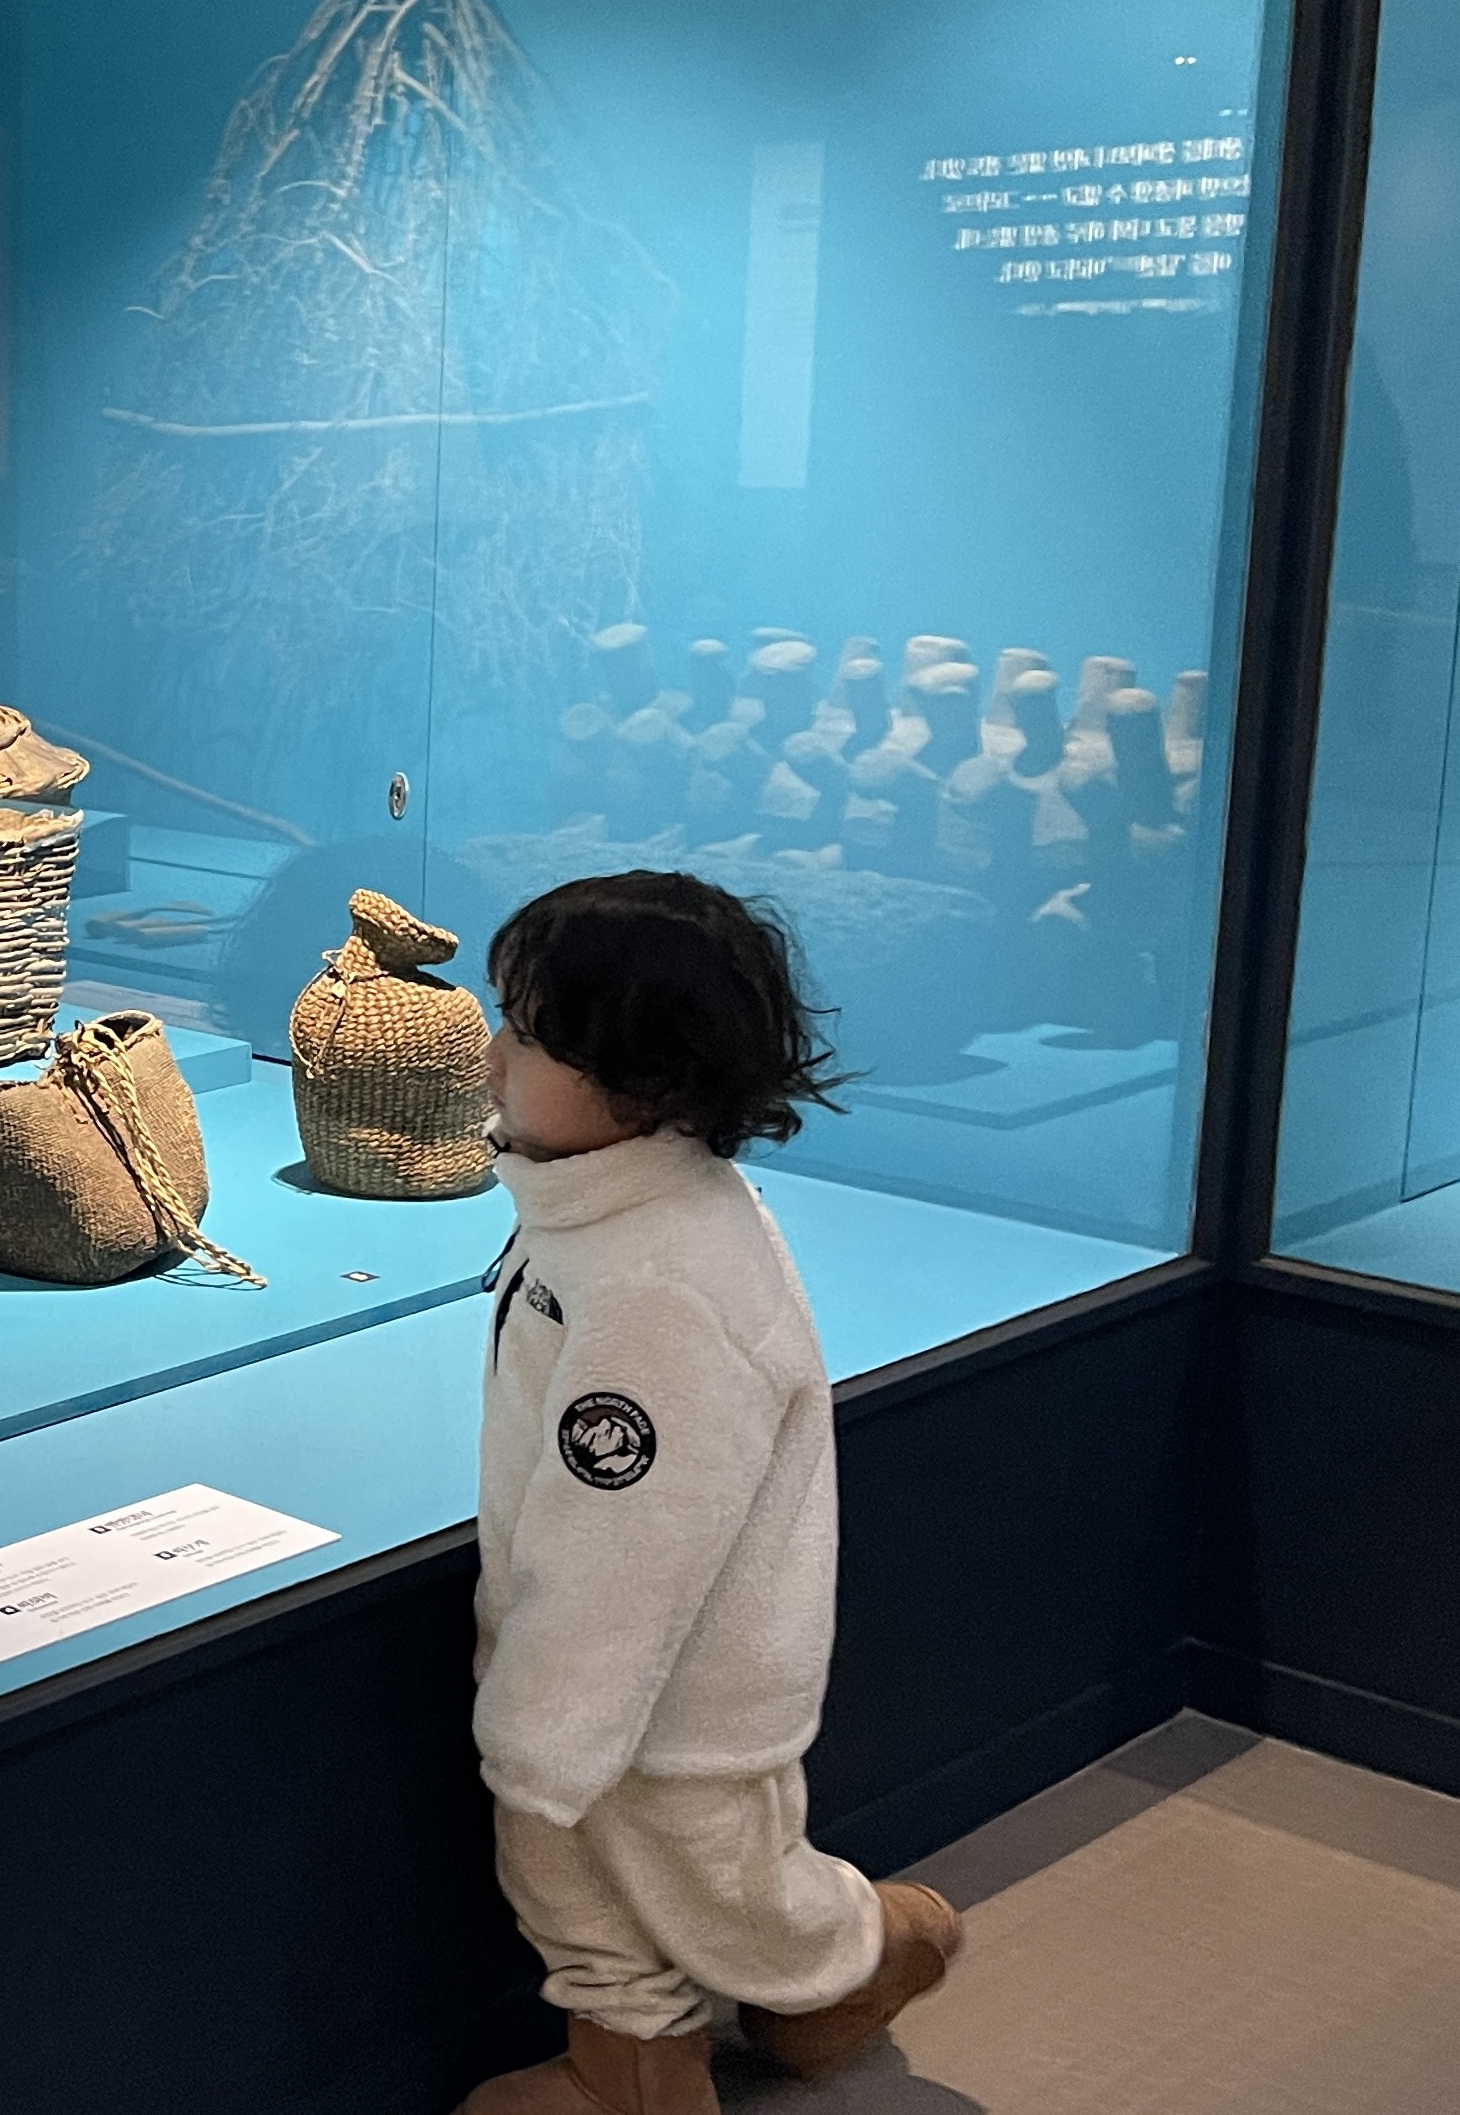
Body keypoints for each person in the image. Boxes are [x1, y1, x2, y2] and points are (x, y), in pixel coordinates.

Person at [454, 871, 962, 2115]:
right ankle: (631, 2069)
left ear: (647, 1083)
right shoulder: (592, 1212)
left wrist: (542, 1720)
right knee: (563, 1877)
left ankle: (862, 1955)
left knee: (725, 1890)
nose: (492, 1053)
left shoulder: (666, 1283)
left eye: (530, 1034)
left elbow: (631, 1541)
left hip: (674, 1698)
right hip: (574, 1671)